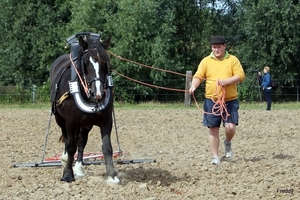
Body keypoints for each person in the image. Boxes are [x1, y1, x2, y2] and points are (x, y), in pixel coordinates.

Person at [189, 35, 245, 165]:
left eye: (219, 47)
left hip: (229, 100)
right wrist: (193, 86)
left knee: (230, 127)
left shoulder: (232, 60)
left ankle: (227, 142)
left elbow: (240, 76)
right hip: (211, 100)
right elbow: (198, 76)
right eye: (214, 47)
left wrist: (226, 82)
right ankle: (215, 157)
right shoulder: (206, 61)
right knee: (213, 129)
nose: (216, 50)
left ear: (224, 46)